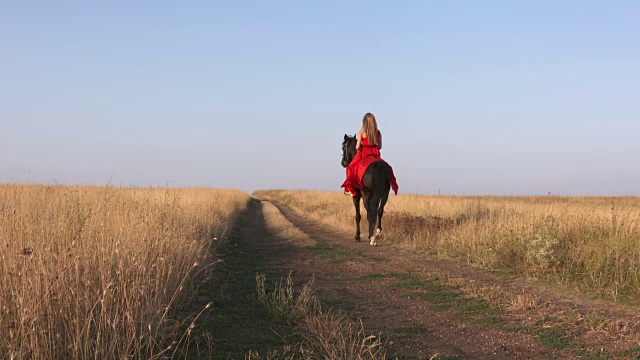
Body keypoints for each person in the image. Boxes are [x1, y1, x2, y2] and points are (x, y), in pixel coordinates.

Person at [342, 113, 383, 196]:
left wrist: (362, 146)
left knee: (351, 167)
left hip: (364, 153)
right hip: (375, 153)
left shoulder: (362, 132)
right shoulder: (378, 133)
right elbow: (380, 147)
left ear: (364, 122)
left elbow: (357, 147)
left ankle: (350, 189)